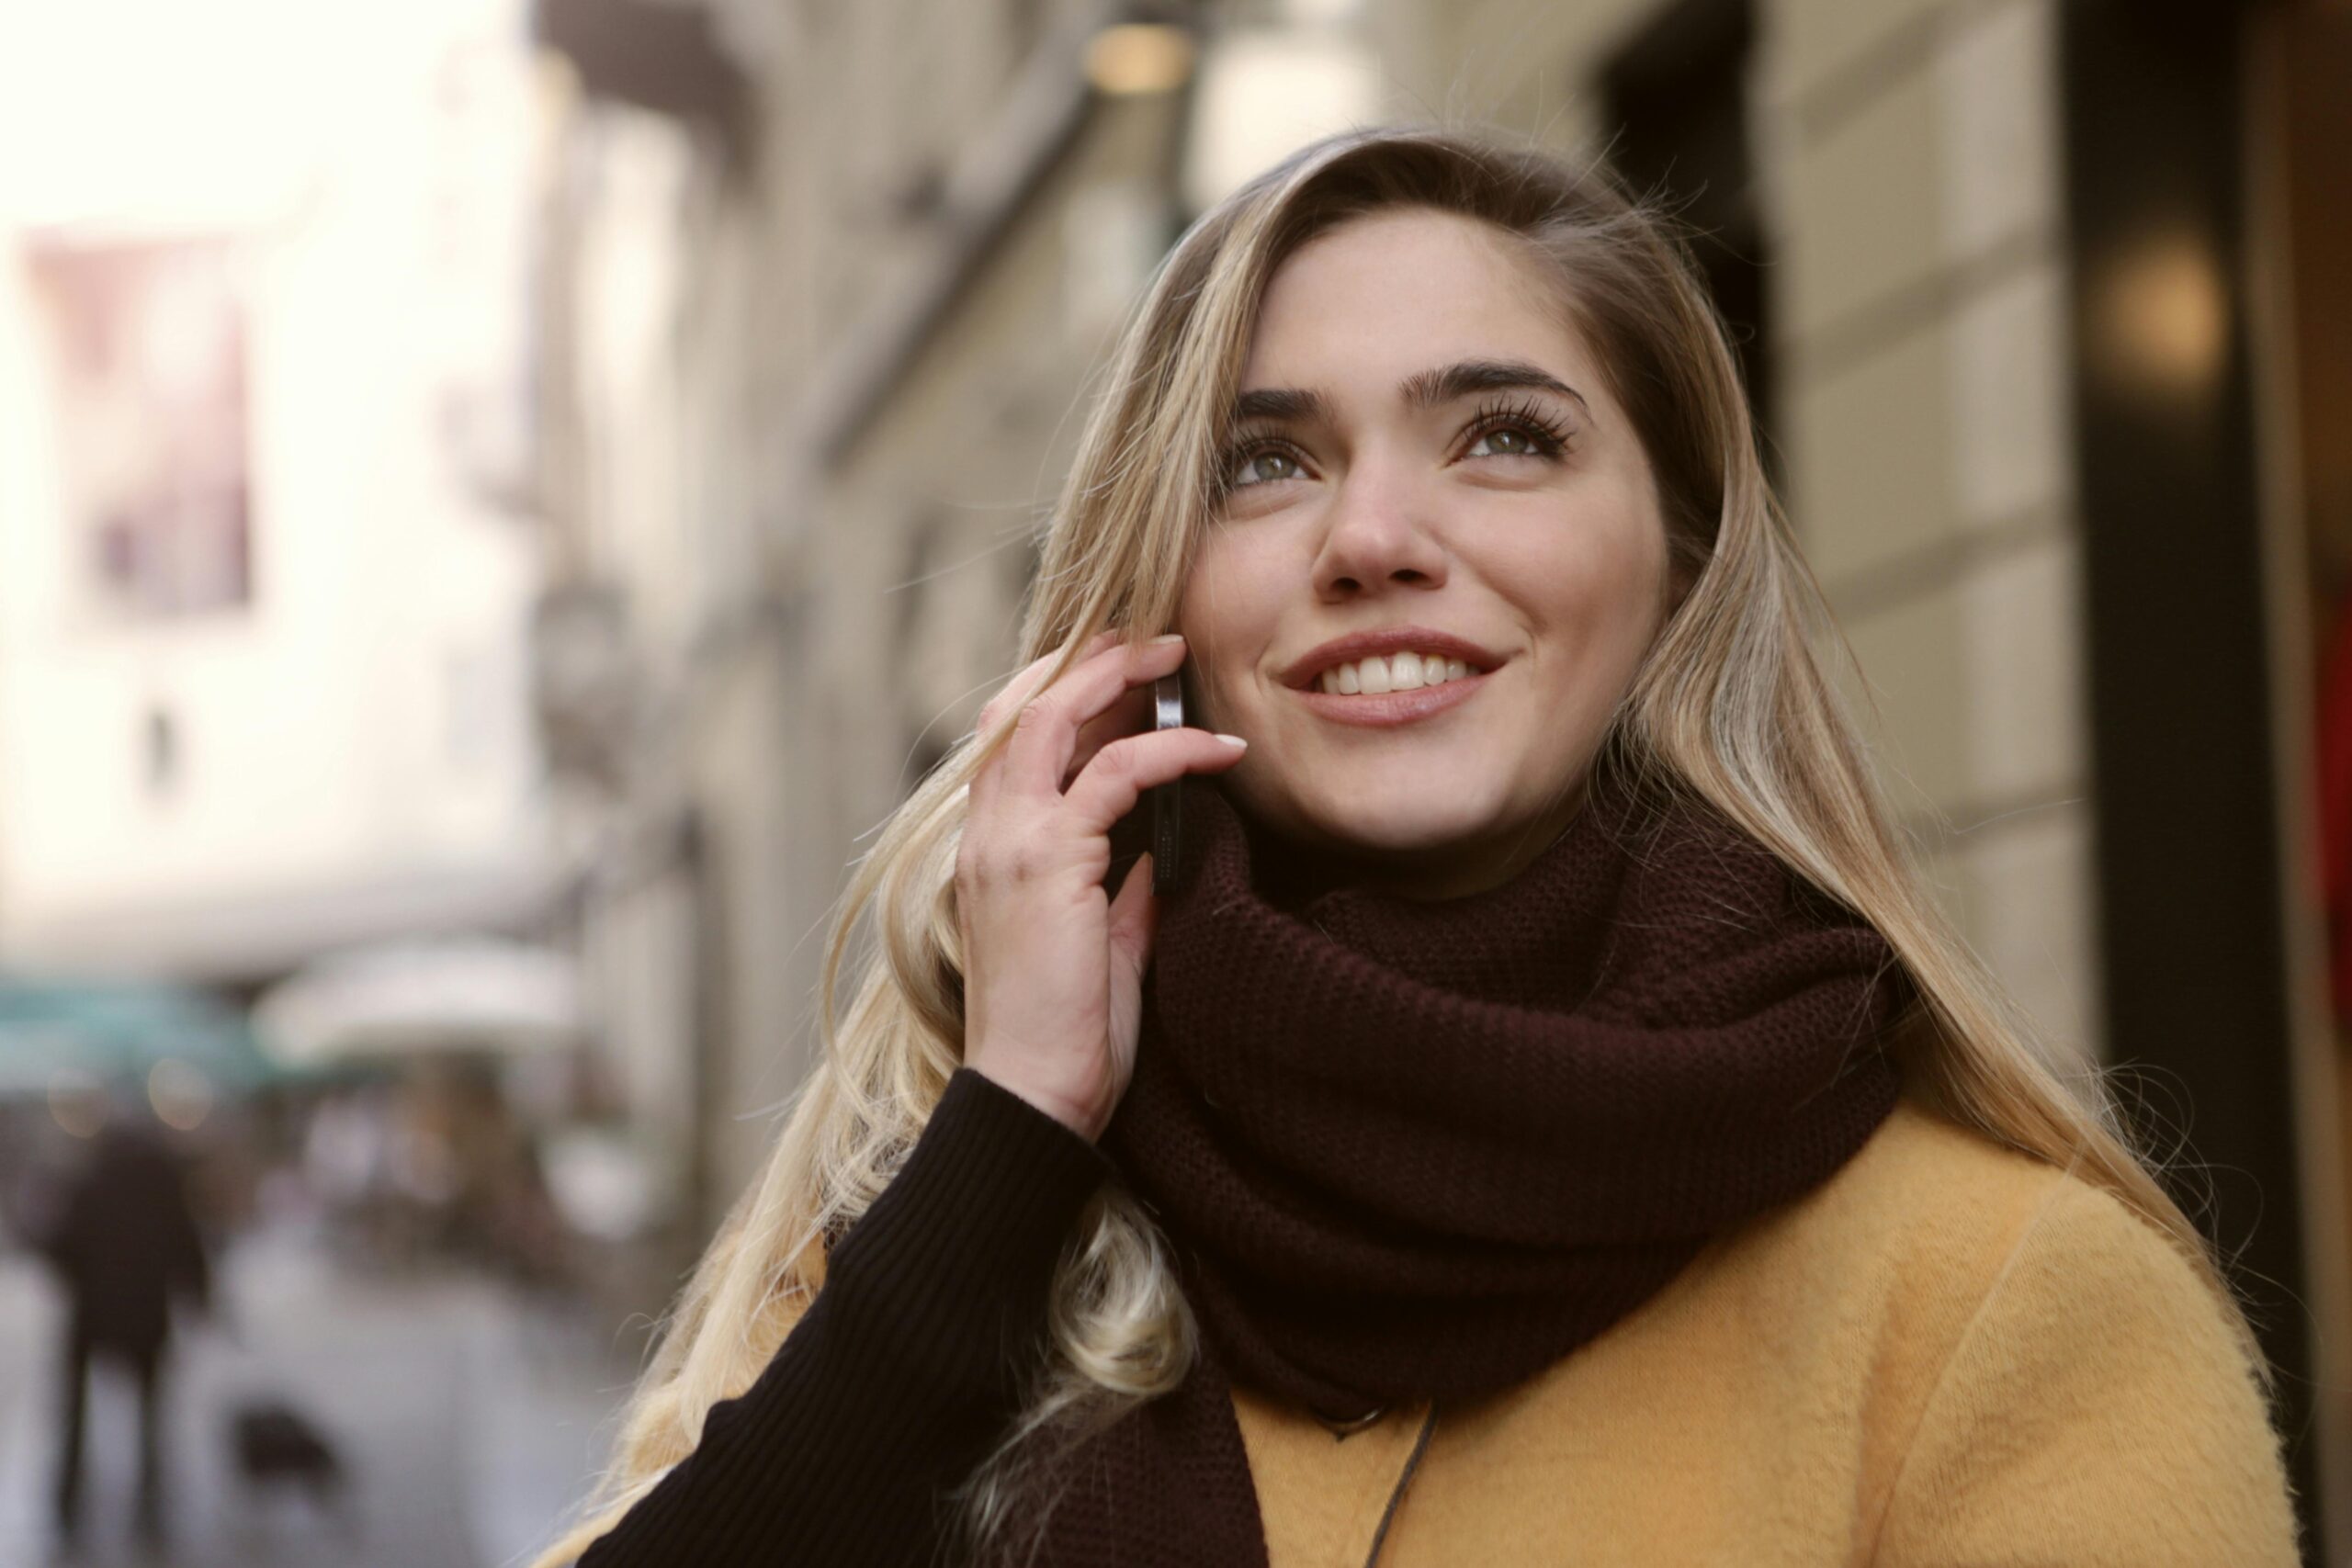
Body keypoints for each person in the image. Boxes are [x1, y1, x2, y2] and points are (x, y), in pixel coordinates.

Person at [536, 126, 2301, 1566]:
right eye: (1264, 464)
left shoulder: (2009, 1314)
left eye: (1507, 438)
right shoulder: (959, 1205)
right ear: (1155, 597)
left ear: (1678, 563)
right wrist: (1010, 1135)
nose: (1375, 535)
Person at [38, 1104, 214, 1549]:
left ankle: (69, 1504)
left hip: (92, 1316)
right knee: (151, 1416)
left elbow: (59, 1248)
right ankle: (149, 1504)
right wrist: (201, 1298)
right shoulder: (163, 1186)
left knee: (77, 1417)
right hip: (145, 1315)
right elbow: (188, 1247)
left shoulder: (88, 1182)